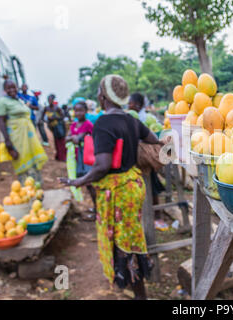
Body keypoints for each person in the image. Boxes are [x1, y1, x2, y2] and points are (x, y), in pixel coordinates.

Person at [59, 74, 163, 300]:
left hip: (118, 193)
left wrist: (78, 180)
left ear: (102, 96)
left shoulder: (104, 123)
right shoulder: (130, 119)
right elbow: (154, 138)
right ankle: (136, 287)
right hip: (133, 185)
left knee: (124, 243)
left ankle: (139, 293)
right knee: (131, 238)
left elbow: (103, 165)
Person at [0, 80, 48, 184]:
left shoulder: (19, 100)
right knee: (22, 160)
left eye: (13, 87)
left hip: (29, 137)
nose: (12, 90)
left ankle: (37, 187)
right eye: (8, 88)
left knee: (33, 161)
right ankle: (27, 189)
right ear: (4, 90)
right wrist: (7, 142)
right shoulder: (3, 102)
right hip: (17, 137)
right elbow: (0, 122)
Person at [128, 92, 165, 227]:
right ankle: (147, 215)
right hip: (137, 158)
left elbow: (151, 137)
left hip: (146, 157)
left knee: (152, 188)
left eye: (130, 103)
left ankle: (157, 216)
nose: (128, 105)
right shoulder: (133, 117)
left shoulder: (143, 118)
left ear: (137, 105)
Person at [65, 101, 97, 220]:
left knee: (91, 184)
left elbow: (95, 138)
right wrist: (73, 138)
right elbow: (67, 138)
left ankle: (97, 211)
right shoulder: (73, 125)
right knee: (87, 185)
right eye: (76, 110)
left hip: (88, 159)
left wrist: (82, 137)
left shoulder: (88, 125)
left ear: (86, 111)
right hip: (78, 159)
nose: (78, 113)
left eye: (81, 110)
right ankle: (96, 207)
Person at [41, 94, 67, 161]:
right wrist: (47, 121)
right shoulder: (46, 108)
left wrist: (55, 117)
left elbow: (63, 116)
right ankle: (58, 156)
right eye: (48, 100)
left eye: (51, 100)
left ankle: (63, 157)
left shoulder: (57, 108)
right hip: (53, 127)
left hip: (59, 126)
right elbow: (42, 118)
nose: (50, 101)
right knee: (56, 141)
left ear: (53, 100)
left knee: (61, 141)